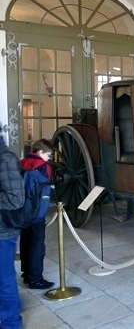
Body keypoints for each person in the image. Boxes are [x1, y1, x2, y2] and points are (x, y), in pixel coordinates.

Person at [19, 139, 54, 290]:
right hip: (37, 212)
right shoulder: (43, 167)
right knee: (37, 246)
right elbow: (45, 192)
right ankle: (36, 279)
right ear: (40, 152)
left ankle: (26, 274)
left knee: (25, 242)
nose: (49, 158)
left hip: (23, 211)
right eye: (48, 154)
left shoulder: (22, 163)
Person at [0, 126, 25, 329]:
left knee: (5, 279)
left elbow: (16, 199)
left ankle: (11, 323)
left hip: (3, 232)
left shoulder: (5, 159)